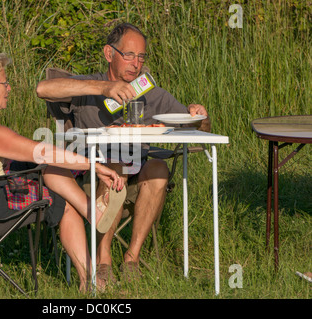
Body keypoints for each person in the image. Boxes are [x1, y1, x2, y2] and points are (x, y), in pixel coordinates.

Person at [36, 23, 209, 285]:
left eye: (141, 57)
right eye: (128, 55)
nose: (136, 64)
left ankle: (132, 258)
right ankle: (103, 259)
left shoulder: (151, 94)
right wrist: (102, 89)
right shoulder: (87, 87)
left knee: (159, 168)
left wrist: (201, 116)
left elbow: (198, 128)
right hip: (91, 181)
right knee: (117, 162)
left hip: (135, 180)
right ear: (109, 53)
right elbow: (43, 89)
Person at [0, 52, 126, 292]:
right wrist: (95, 166)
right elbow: (42, 151)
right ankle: (89, 281)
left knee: (41, 165)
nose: (9, 88)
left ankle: (92, 211)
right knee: (61, 199)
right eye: (5, 83)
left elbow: (39, 157)